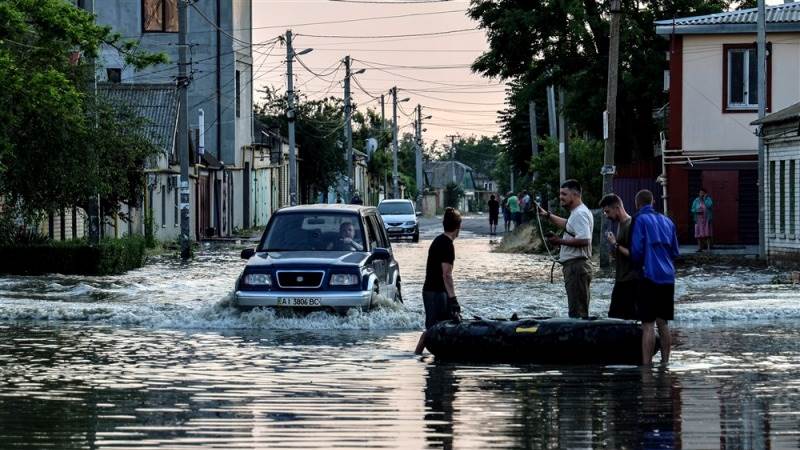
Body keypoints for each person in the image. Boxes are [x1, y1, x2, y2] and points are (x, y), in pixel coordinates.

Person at [630, 189, 680, 365]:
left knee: (648, 324)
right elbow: (675, 251)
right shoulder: (668, 221)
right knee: (663, 322)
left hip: (649, 275)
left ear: (637, 204)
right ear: (652, 202)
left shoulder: (639, 219)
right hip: (668, 277)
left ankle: (647, 365)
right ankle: (665, 362)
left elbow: (636, 251)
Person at [538, 179, 594, 318]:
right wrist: (548, 216)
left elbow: (585, 240)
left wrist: (559, 241)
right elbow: (568, 225)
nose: (560, 197)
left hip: (577, 267)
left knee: (578, 313)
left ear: (575, 195)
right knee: (577, 310)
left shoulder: (580, 214)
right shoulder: (577, 213)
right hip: (575, 267)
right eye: (560, 194)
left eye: (564, 194)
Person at [415, 207, 463, 354]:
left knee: (441, 325)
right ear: (458, 227)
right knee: (434, 329)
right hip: (436, 293)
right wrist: (453, 299)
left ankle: (432, 357)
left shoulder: (438, 240)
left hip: (431, 291)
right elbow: (446, 275)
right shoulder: (447, 245)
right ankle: (416, 355)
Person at [600, 193, 637, 320]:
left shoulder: (631, 224)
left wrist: (614, 244)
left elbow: (633, 254)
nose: (607, 215)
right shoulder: (620, 224)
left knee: (629, 318)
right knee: (614, 317)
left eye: (607, 211)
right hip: (621, 279)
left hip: (631, 281)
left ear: (617, 208)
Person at [691, 187, 713, 252]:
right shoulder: (696, 200)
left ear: (705, 193)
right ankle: (700, 247)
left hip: (706, 219)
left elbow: (709, 206)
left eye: (703, 193)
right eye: (700, 193)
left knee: (707, 233)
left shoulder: (708, 200)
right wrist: (696, 211)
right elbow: (692, 209)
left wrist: (704, 199)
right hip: (698, 220)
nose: (701, 194)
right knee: (698, 234)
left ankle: (708, 248)